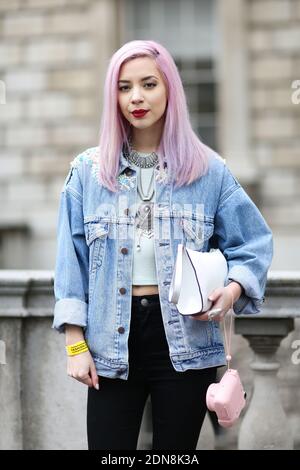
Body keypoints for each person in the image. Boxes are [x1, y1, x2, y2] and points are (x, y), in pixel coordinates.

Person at [52, 39, 273, 450]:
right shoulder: (86, 172)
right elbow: (71, 265)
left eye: (148, 84)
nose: (136, 97)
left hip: (186, 341)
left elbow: (254, 243)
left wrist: (232, 290)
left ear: (169, 88)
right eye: (123, 87)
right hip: (110, 346)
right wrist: (75, 345)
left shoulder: (208, 171)